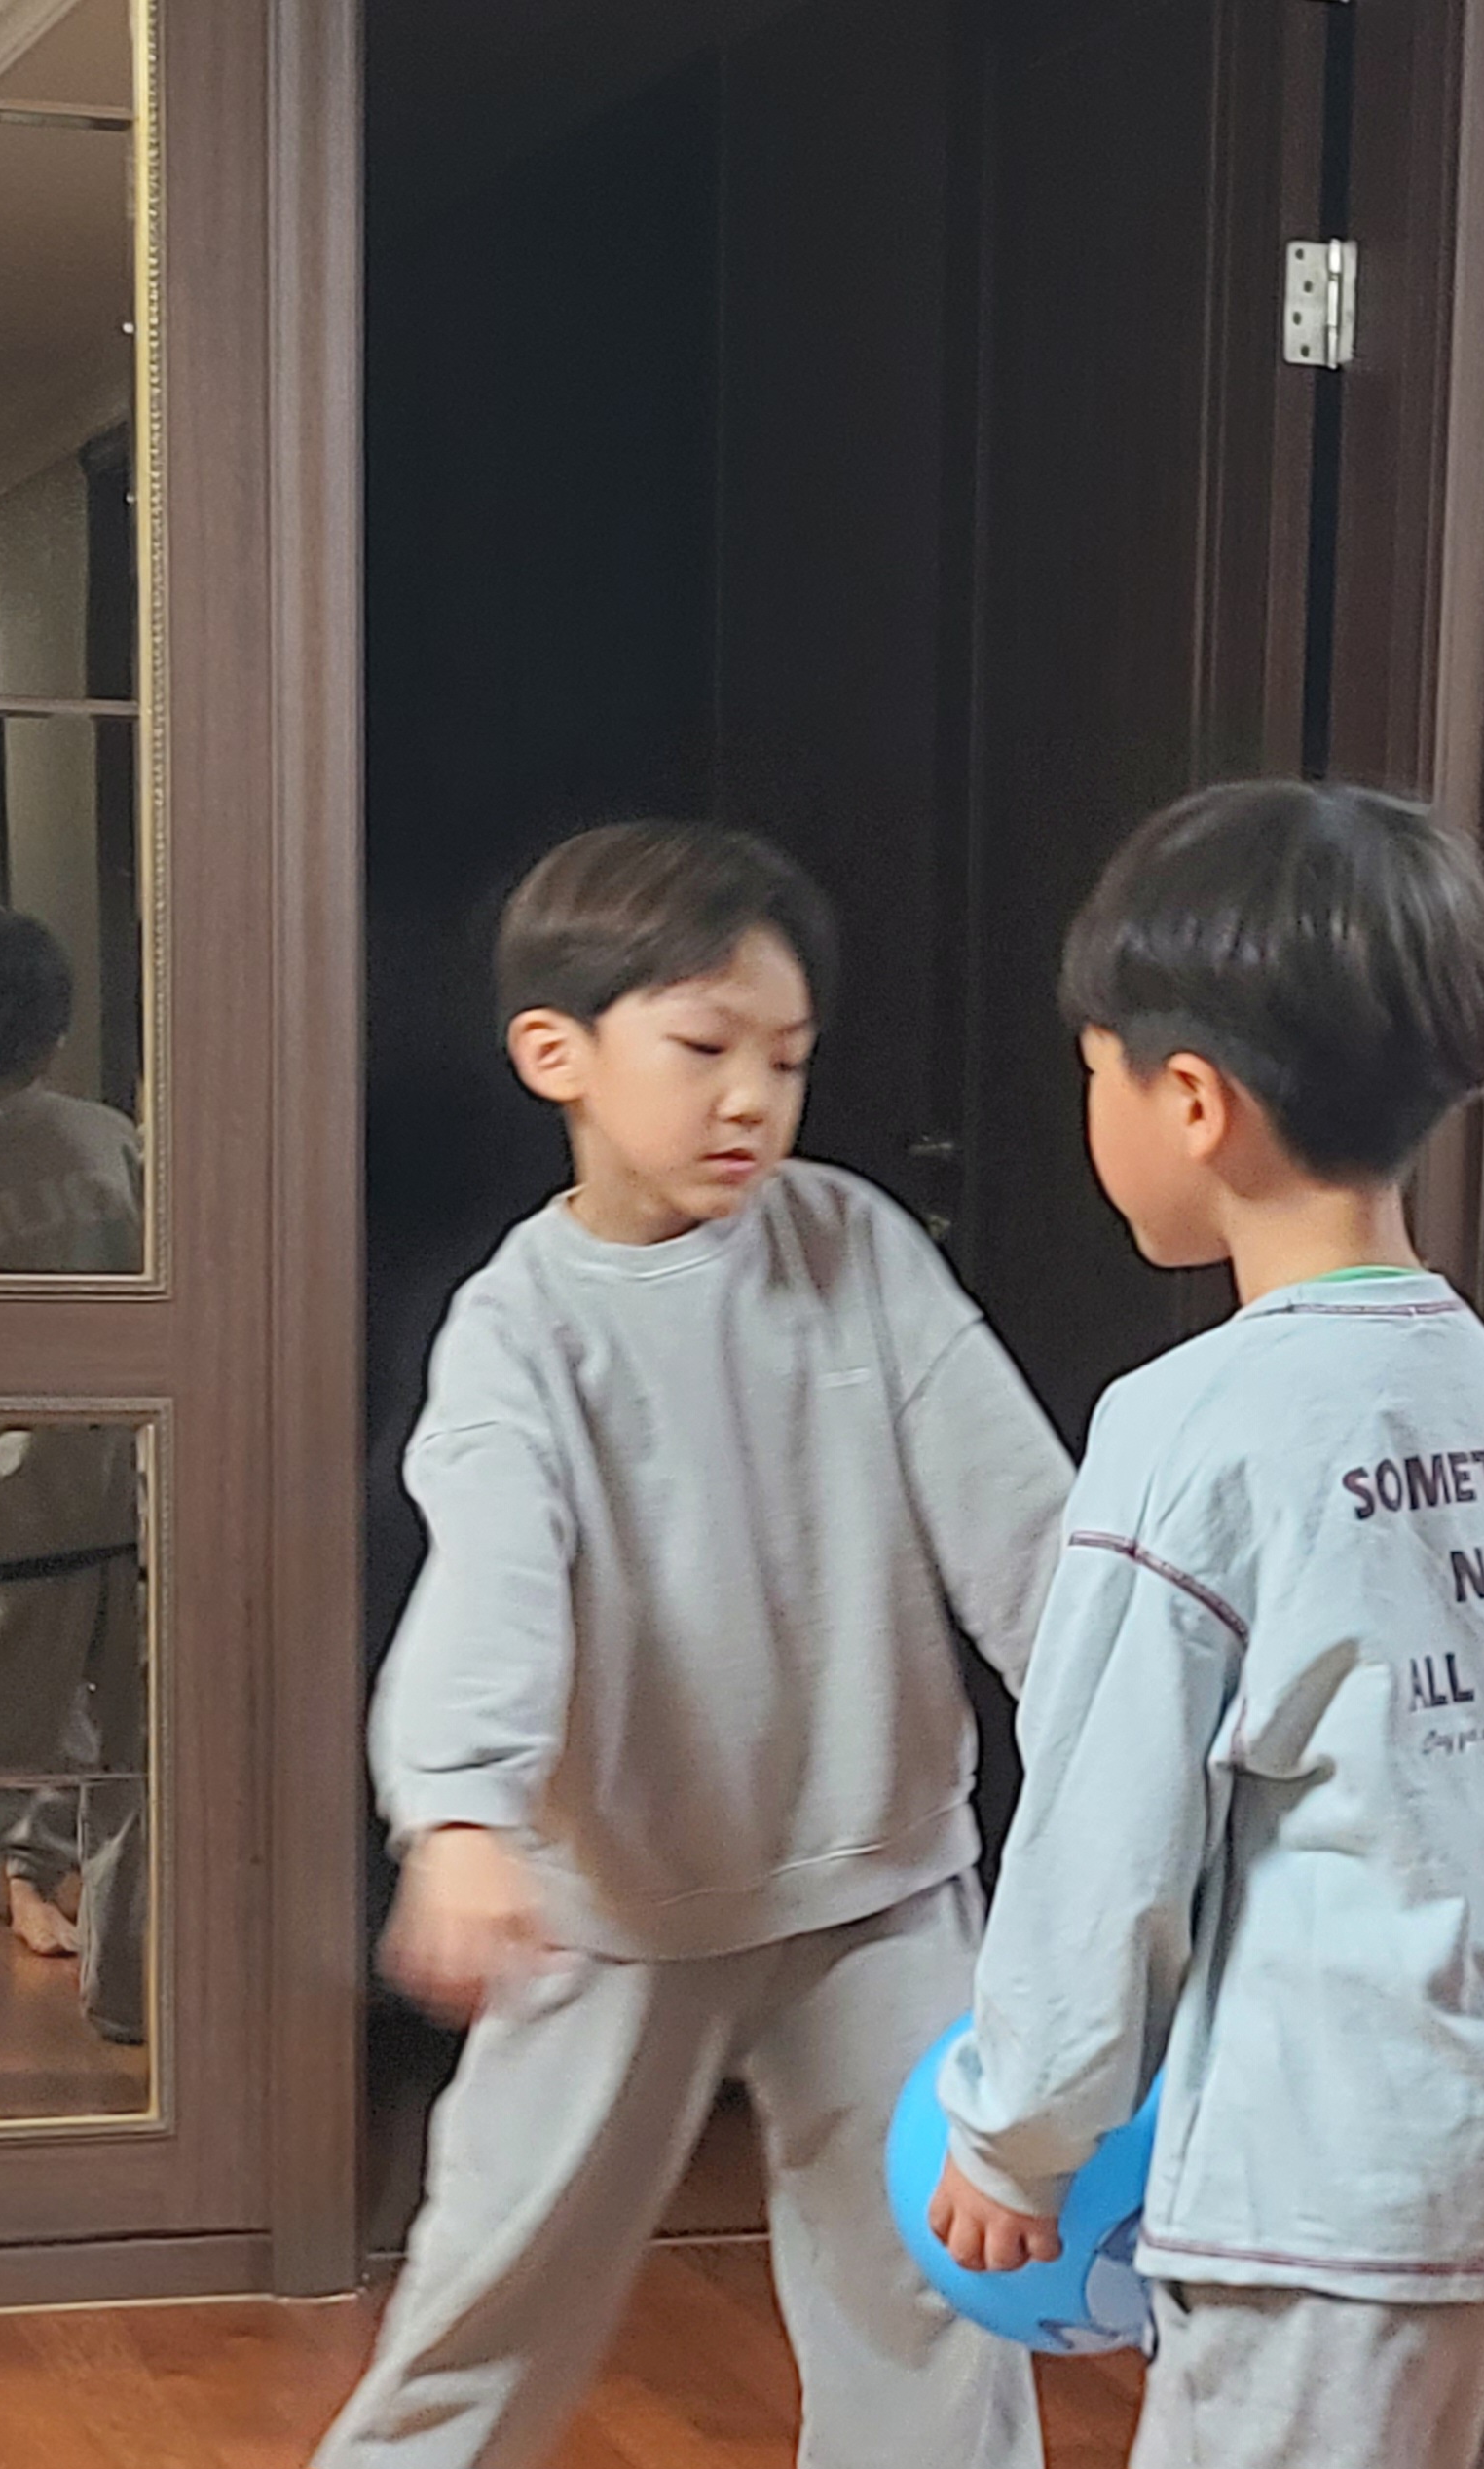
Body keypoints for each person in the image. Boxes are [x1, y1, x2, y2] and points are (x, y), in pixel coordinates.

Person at [929, 781, 1484, 2469]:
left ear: (1190, 1099)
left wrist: (1015, 2134)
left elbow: (1101, 1838)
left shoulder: (1189, 1426)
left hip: (1335, 2200)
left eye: (1096, 1073)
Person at [313, 823, 1071, 2469]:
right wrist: (460, 1811)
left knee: (936, 2294)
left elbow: (1024, 1526)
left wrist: (1140, 1728)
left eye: (786, 1060)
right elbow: (492, 1576)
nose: (752, 1099)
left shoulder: (853, 1242)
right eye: (705, 1048)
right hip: (609, 1907)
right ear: (556, 1053)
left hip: (880, 1882)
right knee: (491, 2296)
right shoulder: (520, 1327)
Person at [0, 905, 146, 2096]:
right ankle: (132, 1995)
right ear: (57, 1032)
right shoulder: (114, 1144)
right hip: (140, 1512)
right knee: (143, 1778)